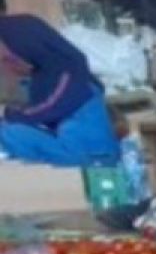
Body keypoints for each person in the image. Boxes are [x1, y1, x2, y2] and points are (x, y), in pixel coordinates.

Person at [0, 14, 119, 165]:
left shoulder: (69, 75)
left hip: (91, 159)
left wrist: (10, 115)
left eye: (9, 57)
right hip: (75, 151)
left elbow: (47, 108)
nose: (6, 64)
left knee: (9, 134)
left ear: (29, 49)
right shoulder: (46, 77)